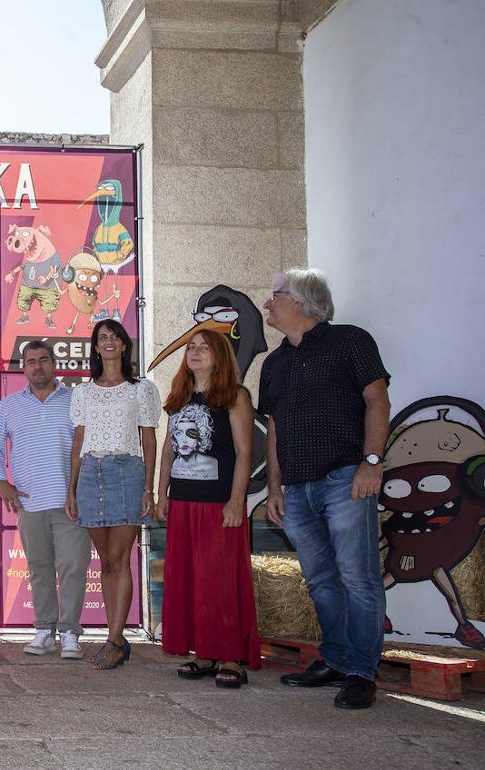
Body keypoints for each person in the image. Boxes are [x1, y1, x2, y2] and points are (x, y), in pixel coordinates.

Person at [260, 268, 390, 710]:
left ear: (301, 300)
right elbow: (274, 427)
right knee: (320, 581)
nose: (267, 303)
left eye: (275, 295)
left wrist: (371, 462)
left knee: (358, 577)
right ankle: (335, 659)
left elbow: (377, 400)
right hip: (295, 490)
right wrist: (274, 488)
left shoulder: (351, 341)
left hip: (345, 479)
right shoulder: (274, 362)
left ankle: (360, 671)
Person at [155, 329, 261, 688]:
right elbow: (169, 449)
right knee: (188, 578)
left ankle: (231, 655)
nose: (195, 352)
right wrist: (162, 495)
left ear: (220, 356)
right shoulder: (180, 397)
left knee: (219, 581)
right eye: (191, 347)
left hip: (219, 503)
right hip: (183, 501)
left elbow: (246, 453)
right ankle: (204, 653)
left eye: (204, 348)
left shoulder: (235, 397)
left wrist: (236, 501)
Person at [0, 340, 91, 659]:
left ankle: (70, 633)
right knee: (39, 568)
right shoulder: (9, 406)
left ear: (53, 364)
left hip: (71, 501)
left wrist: (81, 491)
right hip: (29, 502)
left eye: (44, 360)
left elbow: (88, 449)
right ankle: (44, 630)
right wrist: (1, 482)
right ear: (24, 367)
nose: (38, 367)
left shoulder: (75, 401)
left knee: (73, 566)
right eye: (31, 362)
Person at [67, 319, 160, 669]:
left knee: (120, 559)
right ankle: (114, 634)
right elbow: (79, 440)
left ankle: (116, 640)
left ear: (124, 346)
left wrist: (149, 488)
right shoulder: (83, 391)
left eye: (114, 337)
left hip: (127, 472)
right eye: (102, 338)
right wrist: (72, 488)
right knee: (105, 562)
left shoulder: (141, 389)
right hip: (91, 474)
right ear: (96, 347)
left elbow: (149, 439)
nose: (108, 342)